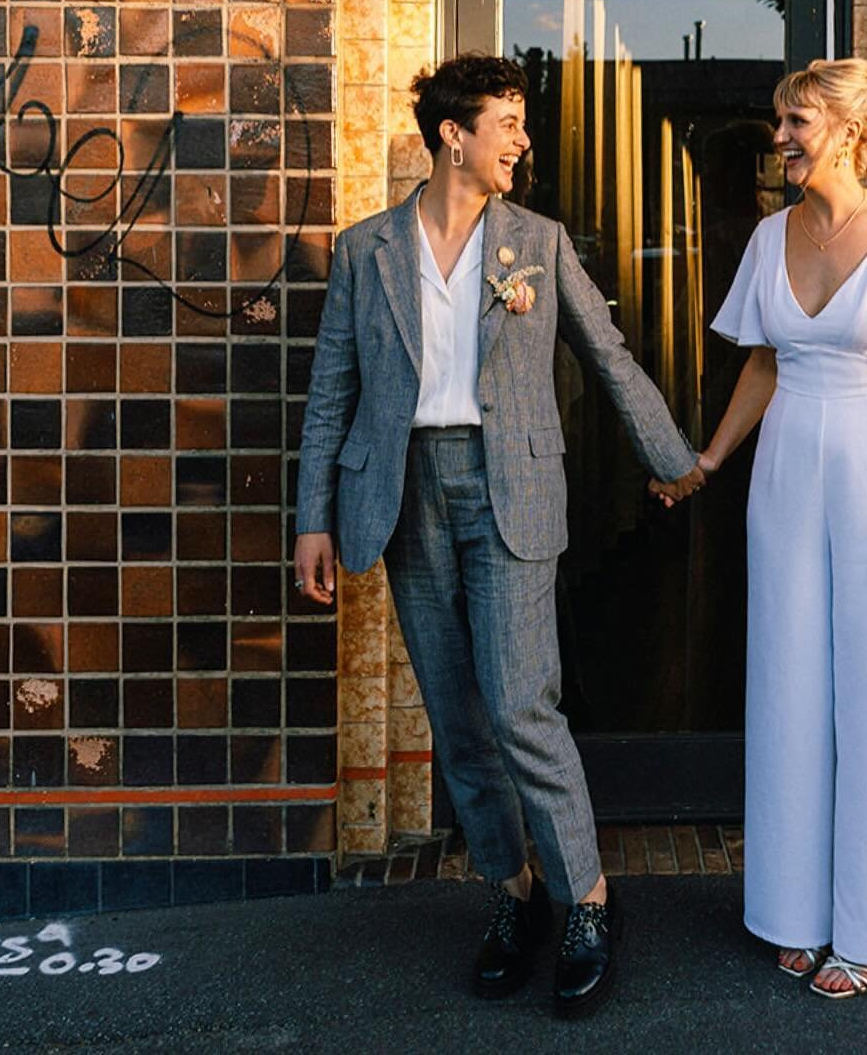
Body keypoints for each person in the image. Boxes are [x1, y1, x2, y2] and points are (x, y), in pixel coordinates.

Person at [293, 53, 704, 1018]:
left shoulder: (538, 241)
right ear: (454, 136)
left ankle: (587, 903)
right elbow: (331, 396)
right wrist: (313, 516)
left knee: (522, 704)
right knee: (458, 719)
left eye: (522, 122)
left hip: (507, 488)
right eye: (507, 122)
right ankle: (512, 894)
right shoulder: (368, 250)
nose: (521, 140)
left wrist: (670, 453)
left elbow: (606, 353)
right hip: (401, 496)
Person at [653, 57, 867, 1000]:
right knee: (792, 682)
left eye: (796, 119)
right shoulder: (770, 237)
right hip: (789, 471)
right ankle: (798, 909)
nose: (781, 135)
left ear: (846, 128)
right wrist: (713, 458)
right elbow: (762, 362)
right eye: (779, 118)